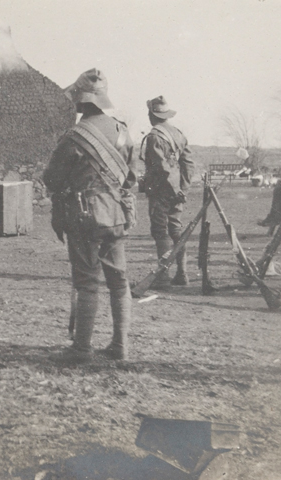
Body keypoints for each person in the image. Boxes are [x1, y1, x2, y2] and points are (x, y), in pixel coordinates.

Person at [43, 68, 137, 362]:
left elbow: (52, 179)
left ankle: (82, 348)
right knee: (119, 283)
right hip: (116, 217)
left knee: (86, 283)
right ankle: (120, 347)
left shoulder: (74, 136)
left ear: (81, 102)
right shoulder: (123, 132)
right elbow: (132, 178)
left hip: (84, 218)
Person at [142, 96, 194, 287]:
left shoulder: (154, 136)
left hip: (161, 191)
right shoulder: (178, 134)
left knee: (160, 231)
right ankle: (182, 274)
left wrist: (175, 189)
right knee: (176, 229)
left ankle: (163, 276)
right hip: (177, 190)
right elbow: (188, 164)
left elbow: (163, 168)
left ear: (151, 115)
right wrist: (183, 189)